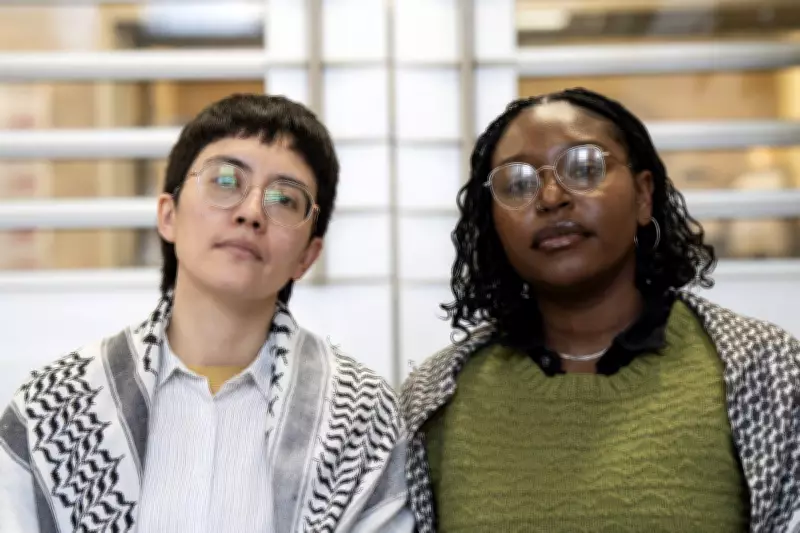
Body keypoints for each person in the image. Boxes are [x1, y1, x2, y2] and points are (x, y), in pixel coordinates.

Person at [0, 94, 413, 533]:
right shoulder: (57, 406)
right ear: (168, 215)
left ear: (307, 257)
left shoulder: (361, 419)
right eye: (226, 181)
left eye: (284, 199)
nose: (251, 213)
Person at [400, 87, 800, 533]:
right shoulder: (433, 400)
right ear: (493, 221)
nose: (551, 197)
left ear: (643, 195)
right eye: (518, 184)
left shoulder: (764, 370)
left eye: (584, 168)